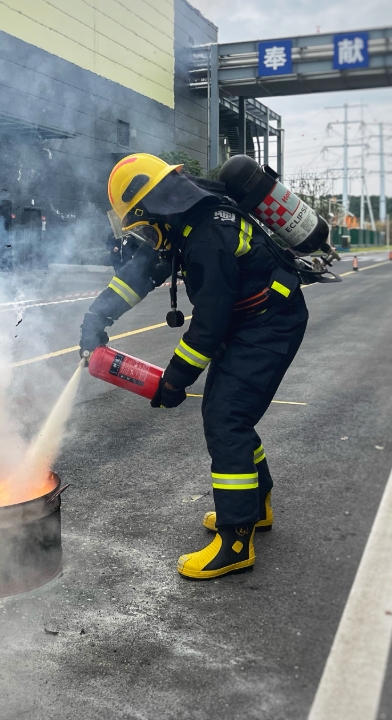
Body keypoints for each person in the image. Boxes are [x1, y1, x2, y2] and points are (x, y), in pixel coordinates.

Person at [79, 153, 310, 580]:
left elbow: (209, 324)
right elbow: (141, 271)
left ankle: (236, 542)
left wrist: (175, 381)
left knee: (226, 418)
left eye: (143, 225)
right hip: (251, 322)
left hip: (270, 324)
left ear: (154, 207)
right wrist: (96, 317)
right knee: (228, 413)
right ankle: (255, 506)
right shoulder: (186, 218)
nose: (147, 236)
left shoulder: (206, 234)